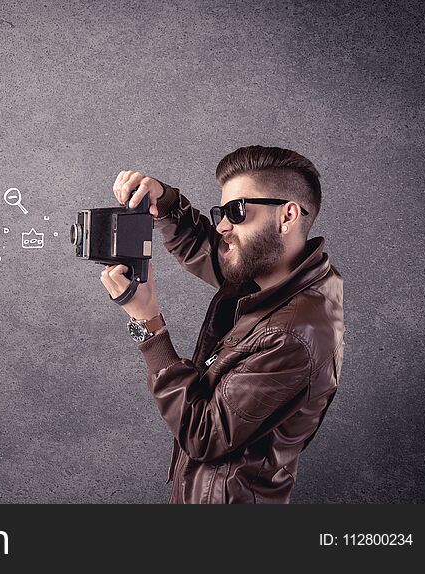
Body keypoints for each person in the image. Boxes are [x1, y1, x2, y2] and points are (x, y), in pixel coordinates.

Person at [101, 145, 344, 503]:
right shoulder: (285, 274)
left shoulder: (294, 335)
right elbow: (216, 251)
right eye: (222, 211)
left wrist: (147, 323)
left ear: (287, 215)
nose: (222, 225)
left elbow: (205, 433)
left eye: (237, 211)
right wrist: (164, 202)